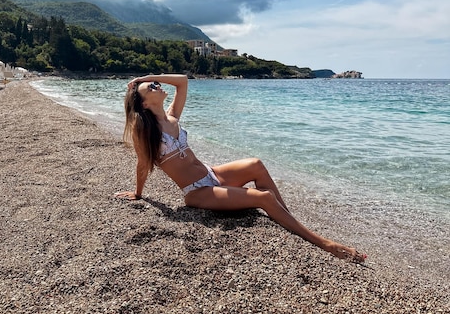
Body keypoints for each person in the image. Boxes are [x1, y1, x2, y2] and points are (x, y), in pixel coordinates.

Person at [115, 74, 366, 263]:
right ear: (145, 104)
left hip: (213, 174)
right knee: (263, 197)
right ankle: (324, 244)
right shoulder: (145, 131)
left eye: (156, 83)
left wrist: (145, 79)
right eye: (152, 88)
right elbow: (142, 164)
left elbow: (181, 81)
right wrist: (138, 194)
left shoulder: (172, 117)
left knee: (256, 164)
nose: (158, 86)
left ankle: (288, 221)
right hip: (197, 191)